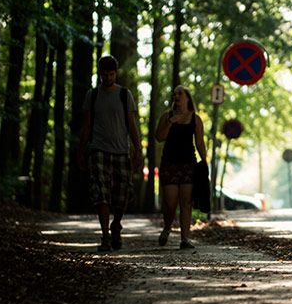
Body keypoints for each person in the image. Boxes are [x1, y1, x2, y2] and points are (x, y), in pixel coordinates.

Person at [77, 55, 143, 252]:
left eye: (111, 74)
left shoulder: (124, 94)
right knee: (102, 194)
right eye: (104, 75)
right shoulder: (93, 95)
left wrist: (138, 150)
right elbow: (87, 126)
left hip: (121, 152)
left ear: (116, 73)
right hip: (98, 151)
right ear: (99, 74)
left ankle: (116, 225)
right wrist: (81, 152)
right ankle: (105, 235)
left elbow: (132, 125)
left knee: (122, 196)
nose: (107, 78)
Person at [155, 86, 208, 250]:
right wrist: (171, 122)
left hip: (188, 165)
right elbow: (159, 137)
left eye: (180, 94)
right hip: (169, 164)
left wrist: (204, 163)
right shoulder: (167, 116)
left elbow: (199, 142)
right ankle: (167, 228)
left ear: (187, 98)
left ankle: (185, 239)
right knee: (170, 202)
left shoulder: (195, 119)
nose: (176, 96)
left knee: (186, 202)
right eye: (175, 94)